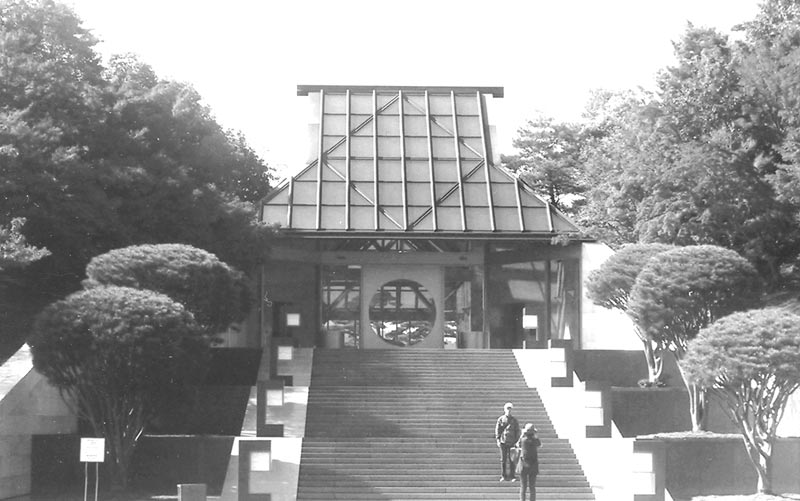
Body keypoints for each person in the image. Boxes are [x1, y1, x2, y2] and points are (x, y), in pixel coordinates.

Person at [495, 402, 520, 481]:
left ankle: (512, 475)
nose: (509, 410)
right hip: (503, 442)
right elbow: (498, 430)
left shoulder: (514, 420)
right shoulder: (501, 419)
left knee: (512, 459)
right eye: (507, 409)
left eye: (510, 409)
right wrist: (498, 439)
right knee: (503, 459)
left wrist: (517, 441)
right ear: (505, 409)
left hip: (512, 442)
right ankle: (504, 475)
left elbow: (517, 431)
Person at [517, 423, 541, 501]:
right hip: (533, 466)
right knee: (532, 487)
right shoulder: (535, 441)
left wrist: (522, 434)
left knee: (523, 486)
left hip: (523, 465)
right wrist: (536, 435)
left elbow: (517, 444)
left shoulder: (523, 440)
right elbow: (539, 444)